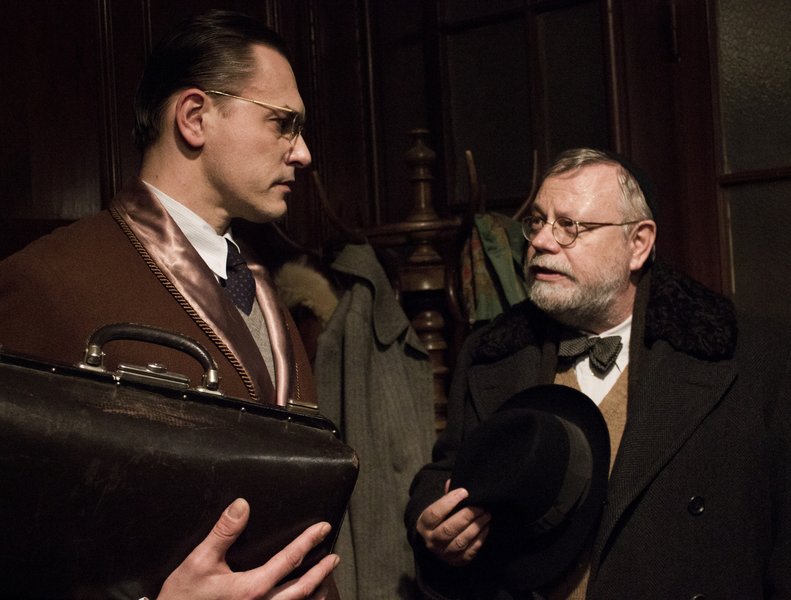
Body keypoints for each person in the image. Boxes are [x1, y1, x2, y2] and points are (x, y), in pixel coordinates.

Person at [0, 10, 340, 600]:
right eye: (283, 123)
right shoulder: (46, 283)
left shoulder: (265, 289)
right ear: (195, 117)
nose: (303, 153)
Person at [405, 148, 791, 599]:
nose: (541, 241)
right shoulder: (492, 354)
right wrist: (431, 520)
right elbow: (447, 471)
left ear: (638, 244)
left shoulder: (753, 357)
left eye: (570, 226)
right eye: (537, 222)